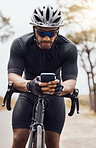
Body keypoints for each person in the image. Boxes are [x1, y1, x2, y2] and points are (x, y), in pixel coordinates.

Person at [8, 5, 78, 148]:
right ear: (34, 29)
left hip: (54, 96)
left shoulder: (68, 48)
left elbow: (70, 81)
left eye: (52, 33)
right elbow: (13, 76)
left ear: (57, 31)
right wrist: (29, 85)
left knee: (52, 141)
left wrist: (61, 88)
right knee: (19, 138)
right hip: (27, 94)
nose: (46, 38)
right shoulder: (20, 44)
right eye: (41, 33)